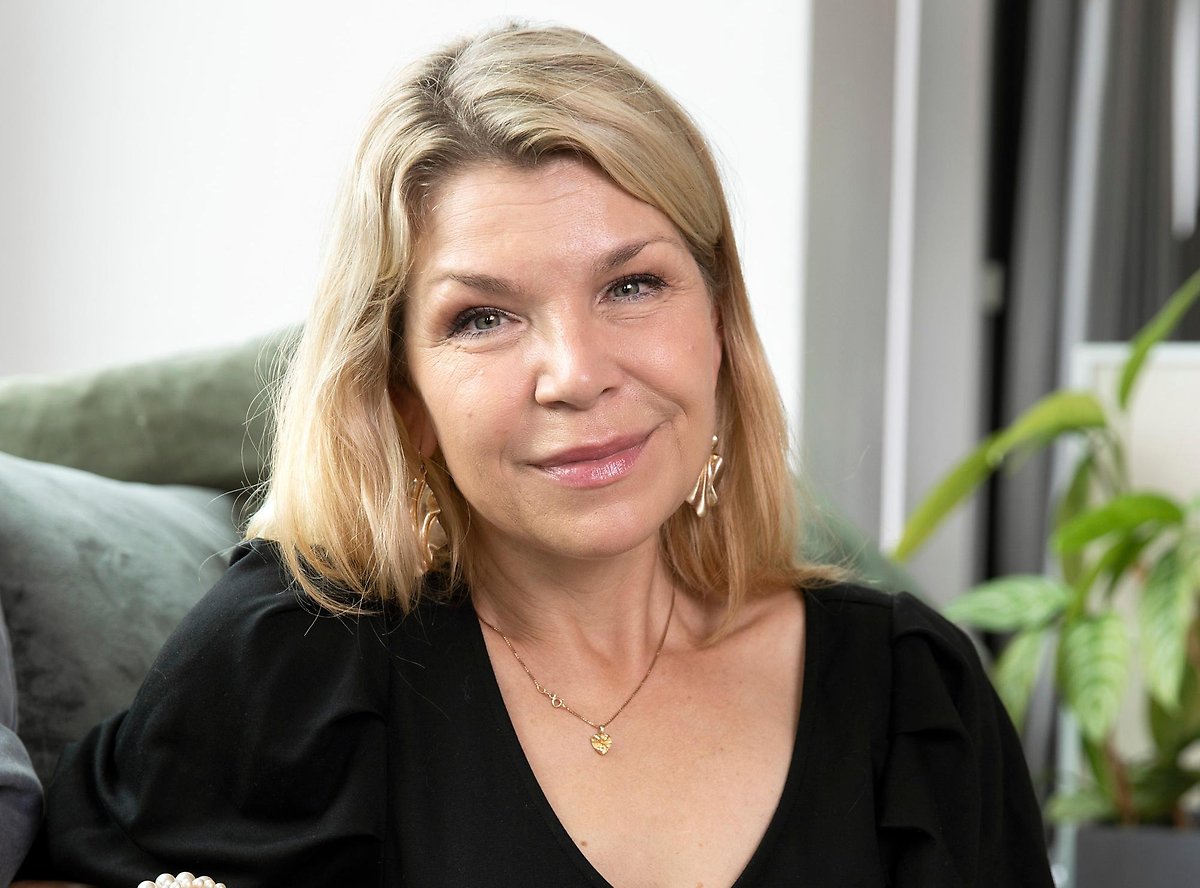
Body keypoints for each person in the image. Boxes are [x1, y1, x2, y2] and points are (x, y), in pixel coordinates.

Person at [17, 23, 1054, 888]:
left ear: (720, 325)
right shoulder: (295, 666)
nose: (575, 373)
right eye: (483, 318)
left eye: (632, 286)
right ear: (403, 393)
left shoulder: (914, 698)